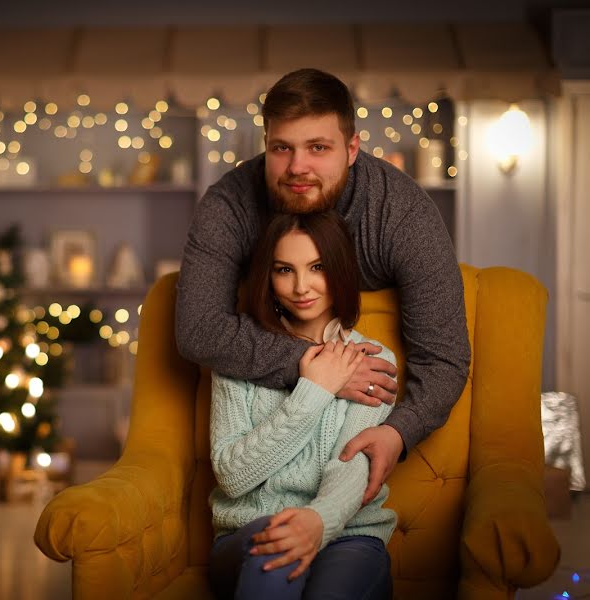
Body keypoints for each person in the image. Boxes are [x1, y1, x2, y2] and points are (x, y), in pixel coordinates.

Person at [176, 68, 470, 501]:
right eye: (282, 148)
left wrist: (397, 433)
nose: (298, 167)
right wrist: (319, 367)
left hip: (356, 435)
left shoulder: (404, 214)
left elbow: (445, 359)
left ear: (351, 149)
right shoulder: (229, 203)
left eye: (318, 147)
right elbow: (198, 329)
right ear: (266, 145)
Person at [208, 210, 396, 599]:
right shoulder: (236, 354)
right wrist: (315, 389)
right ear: (268, 277)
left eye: (317, 267)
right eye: (284, 270)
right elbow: (233, 475)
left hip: (349, 535)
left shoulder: (374, 362)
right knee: (273, 556)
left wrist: (316, 521)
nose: (301, 286)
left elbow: (351, 468)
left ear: (340, 270)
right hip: (247, 534)